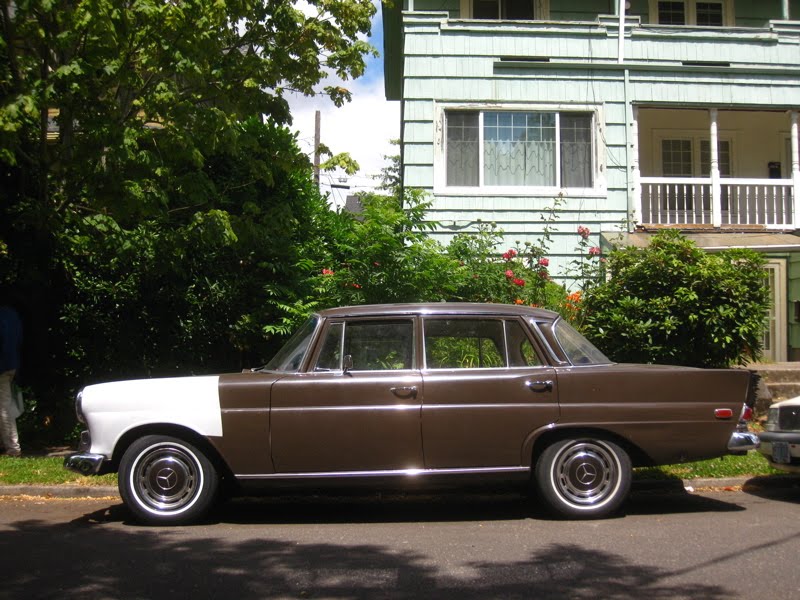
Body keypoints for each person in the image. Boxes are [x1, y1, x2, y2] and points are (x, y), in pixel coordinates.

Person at [0, 304, 22, 456]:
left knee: (3, 407)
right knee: (4, 405)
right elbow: (19, 339)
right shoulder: (10, 313)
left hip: (1, 365)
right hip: (10, 363)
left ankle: (13, 447)